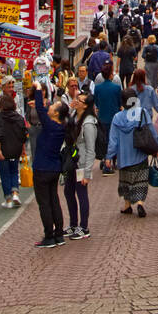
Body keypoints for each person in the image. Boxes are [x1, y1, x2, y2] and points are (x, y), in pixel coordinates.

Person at [106, 91, 158, 218]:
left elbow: (113, 140)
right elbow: (152, 132)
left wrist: (109, 156)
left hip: (124, 156)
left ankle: (127, 205)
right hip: (140, 154)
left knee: (125, 181)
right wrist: (155, 147)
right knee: (141, 179)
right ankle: (140, 203)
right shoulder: (142, 113)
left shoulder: (117, 117)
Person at [30, 85, 69, 248]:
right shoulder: (61, 127)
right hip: (54, 168)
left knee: (44, 202)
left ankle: (49, 235)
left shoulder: (50, 125)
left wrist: (38, 89)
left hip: (42, 168)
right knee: (54, 200)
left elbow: (39, 108)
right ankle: (59, 234)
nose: (50, 106)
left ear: (56, 113)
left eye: (53, 106)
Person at [63, 91, 97, 240]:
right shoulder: (74, 117)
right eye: (77, 99)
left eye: (80, 100)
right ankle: (73, 224)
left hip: (81, 164)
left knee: (81, 194)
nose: (76, 101)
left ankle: (84, 227)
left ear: (86, 105)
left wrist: (87, 172)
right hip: (72, 161)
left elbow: (91, 149)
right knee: (68, 191)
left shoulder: (89, 123)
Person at [0, 93, 28, 207]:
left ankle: (8, 199)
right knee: (14, 171)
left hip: (4, 149)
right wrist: (23, 149)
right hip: (16, 149)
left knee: (5, 174)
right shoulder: (19, 117)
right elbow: (23, 134)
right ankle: (15, 193)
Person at [94, 65, 123, 174]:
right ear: (110, 75)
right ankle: (111, 162)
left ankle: (105, 160)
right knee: (114, 140)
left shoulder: (97, 88)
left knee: (104, 140)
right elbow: (120, 102)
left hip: (102, 117)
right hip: (114, 117)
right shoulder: (116, 88)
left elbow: (96, 102)